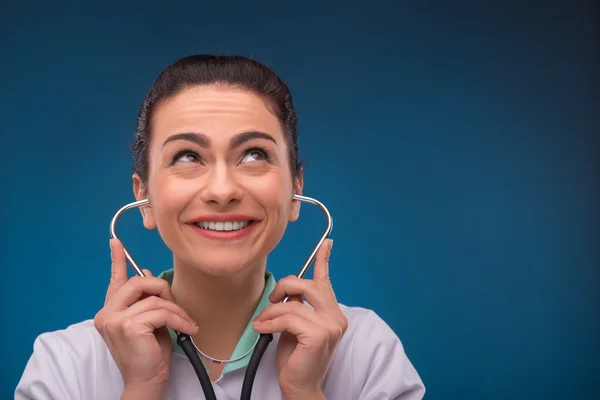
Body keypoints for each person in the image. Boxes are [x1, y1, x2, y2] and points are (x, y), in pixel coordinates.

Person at [15, 54, 425, 400]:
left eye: (253, 155)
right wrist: (141, 387)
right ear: (145, 197)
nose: (223, 189)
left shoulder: (364, 349)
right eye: (187, 157)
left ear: (296, 187)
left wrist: (305, 392)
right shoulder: (66, 364)